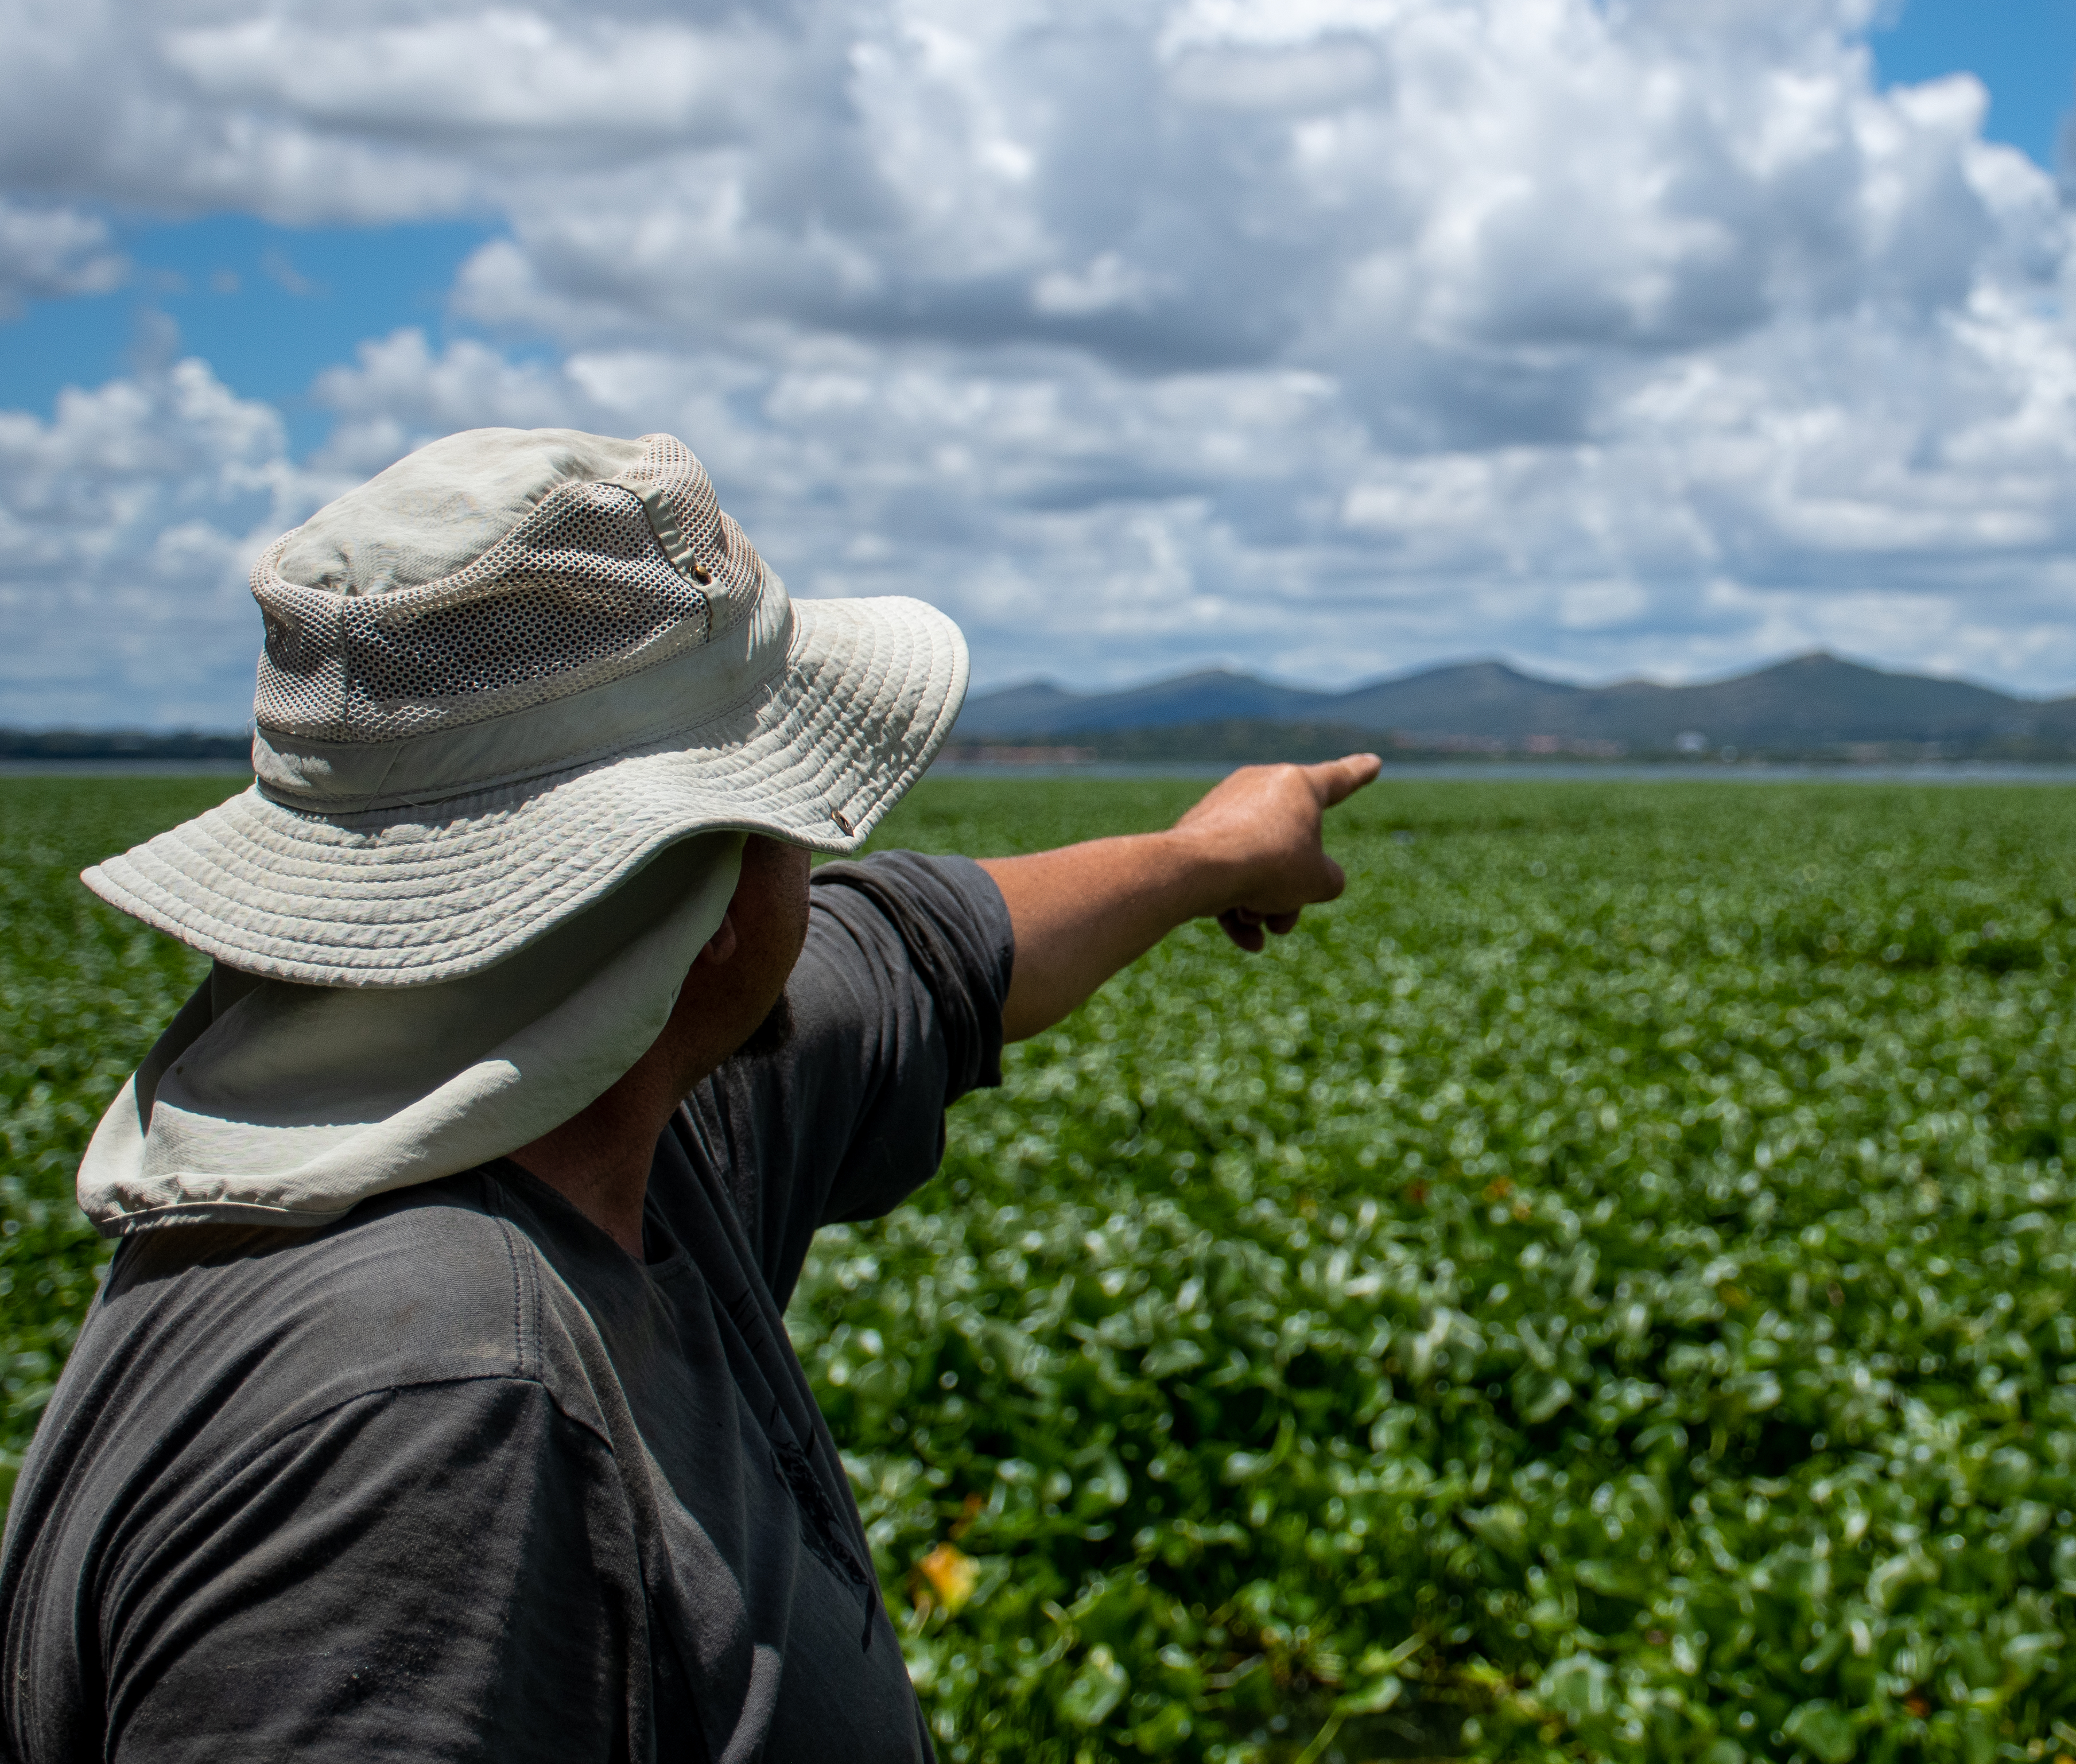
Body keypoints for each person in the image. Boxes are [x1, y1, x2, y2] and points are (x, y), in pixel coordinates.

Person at [0, 428, 1379, 1761]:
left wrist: (1214, 854)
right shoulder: (439, 1412)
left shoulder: (604, 1124)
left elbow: (924, 950)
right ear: (704, 903)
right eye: (792, 808)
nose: (822, 852)